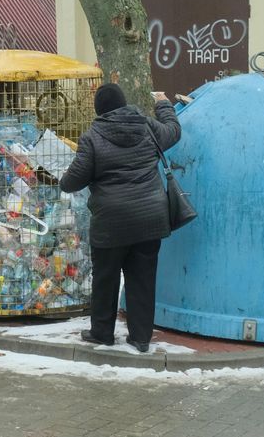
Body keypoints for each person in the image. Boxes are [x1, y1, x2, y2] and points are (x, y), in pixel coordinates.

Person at [60, 83, 181, 353]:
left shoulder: (92, 138)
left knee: (106, 277)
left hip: (111, 223)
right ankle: (140, 338)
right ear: (124, 103)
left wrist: (68, 178)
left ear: (99, 110)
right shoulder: (147, 126)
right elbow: (174, 131)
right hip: (150, 218)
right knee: (142, 279)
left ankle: (102, 333)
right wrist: (163, 104)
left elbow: (71, 182)